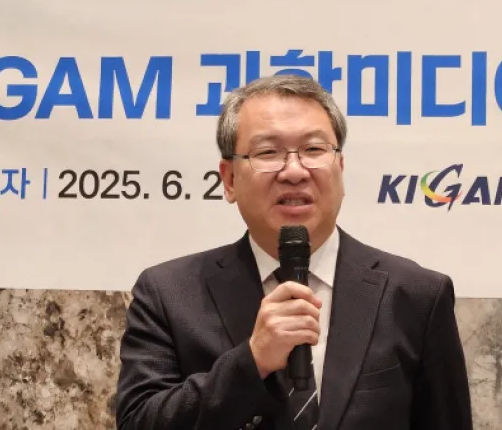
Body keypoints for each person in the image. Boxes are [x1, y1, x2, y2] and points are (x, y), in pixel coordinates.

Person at [114, 74, 473, 430]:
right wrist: (252, 361)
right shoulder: (168, 295)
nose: (295, 171)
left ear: (340, 168)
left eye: (314, 150)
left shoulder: (417, 296)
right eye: (268, 152)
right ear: (230, 179)